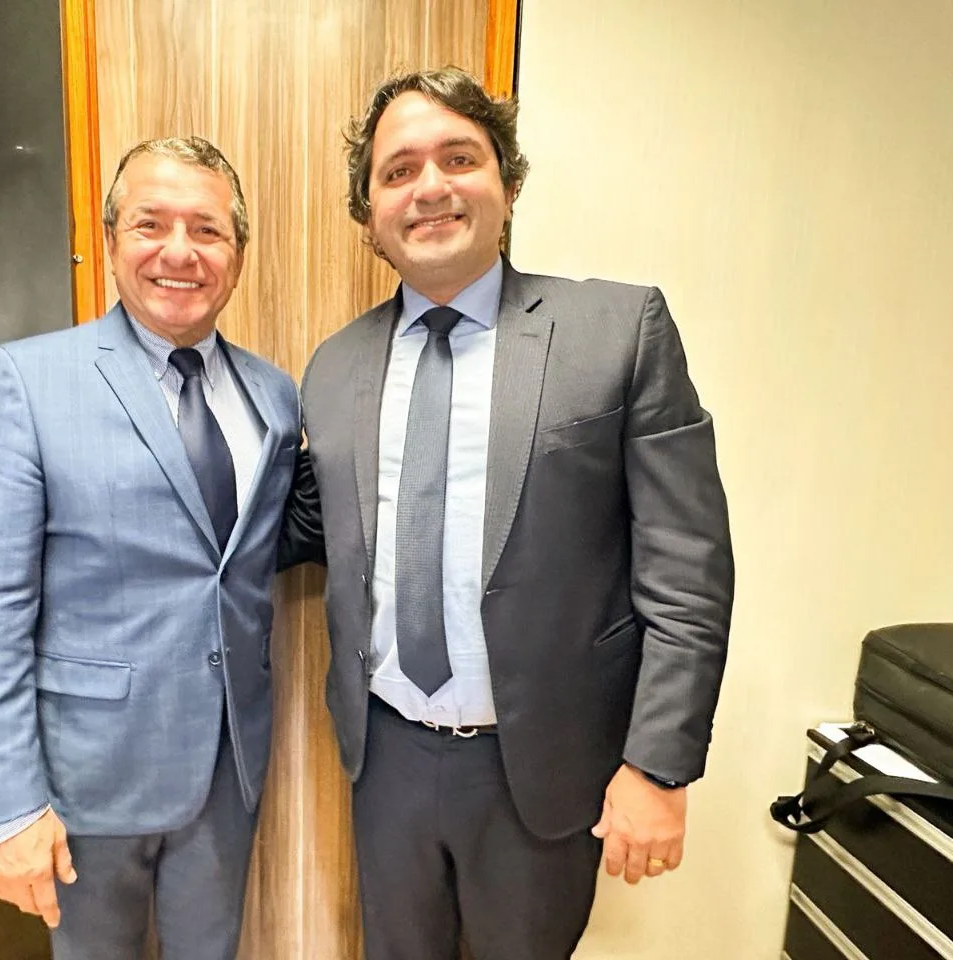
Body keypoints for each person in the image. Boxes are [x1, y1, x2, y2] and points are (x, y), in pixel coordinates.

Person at [279, 67, 734, 959]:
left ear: (509, 184)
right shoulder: (334, 367)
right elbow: (310, 527)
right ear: (370, 217)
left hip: (545, 767)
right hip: (386, 760)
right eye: (398, 171)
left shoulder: (618, 331)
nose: (430, 187)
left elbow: (688, 570)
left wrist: (658, 766)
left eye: (459, 158)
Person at [0, 136, 300, 960]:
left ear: (238, 255)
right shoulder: (28, 381)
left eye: (207, 230)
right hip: (85, 782)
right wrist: (4, 807)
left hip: (228, 769)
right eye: (151, 224)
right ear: (110, 241)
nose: (180, 251)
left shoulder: (274, 395)